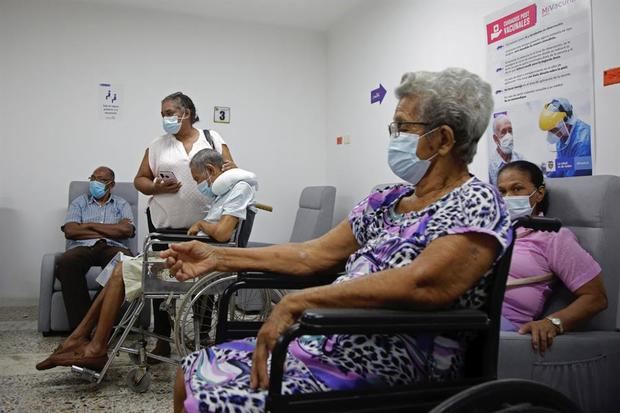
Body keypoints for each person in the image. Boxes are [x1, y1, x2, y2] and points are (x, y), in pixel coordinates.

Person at [161, 68, 513, 413]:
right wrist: (218, 258)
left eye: (403, 126)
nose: (394, 135)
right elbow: (311, 254)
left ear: (444, 139)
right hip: (327, 337)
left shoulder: (476, 201)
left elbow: (424, 282)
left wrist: (298, 303)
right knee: (192, 370)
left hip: (394, 360)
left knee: (217, 398)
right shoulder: (385, 200)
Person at [35, 149, 256, 371]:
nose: (199, 185)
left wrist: (200, 225)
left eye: (198, 179)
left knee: (121, 269)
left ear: (209, 170)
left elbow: (223, 234)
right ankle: (82, 340)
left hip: (201, 267)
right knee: (121, 267)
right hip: (193, 259)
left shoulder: (239, 189)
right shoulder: (225, 193)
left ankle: (93, 347)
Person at [134, 92, 238, 358]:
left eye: (169, 113)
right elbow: (140, 180)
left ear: (186, 113)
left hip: (206, 229)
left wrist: (227, 172)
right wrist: (157, 186)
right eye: (162, 114)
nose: (165, 119)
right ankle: (163, 338)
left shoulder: (212, 139)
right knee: (160, 283)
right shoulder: (158, 145)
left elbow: (232, 172)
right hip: (164, 227)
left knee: (205, 287)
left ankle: (203, 337)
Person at [496, 160, 607, 353]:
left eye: (517, 189)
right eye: (502, 192)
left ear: (539, 193)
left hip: (500, 323)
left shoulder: (553, 237)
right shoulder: (493, 232)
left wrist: (553, 322)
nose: (508, 197)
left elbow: (596, 297)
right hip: (467, 309)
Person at [57, 166, 134, 331]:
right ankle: (80, 330)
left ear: (111, 185)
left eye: (101, 180)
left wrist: (89, 225)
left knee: (124, 260)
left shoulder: (121, 204)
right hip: (83, 247)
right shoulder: (80, 202)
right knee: (66, 261)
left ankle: (92, 323)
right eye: (93, 178)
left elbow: (126, 230)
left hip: (112, 247)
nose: (95, 183)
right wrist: (111, 229)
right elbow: (70, 231)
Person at [538, 98, 592, 177]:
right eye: (549, 130)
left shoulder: (583, 141)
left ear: (565, 122)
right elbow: (561, 167)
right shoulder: (562, 137)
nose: (550, 134)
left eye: (553, 130)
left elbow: (576, 177)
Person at [488, 114, 524, 186]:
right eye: (503, 132)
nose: (508, 136)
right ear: (496, 139)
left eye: (510, 131)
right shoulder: (490, 166)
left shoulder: (521, 159)